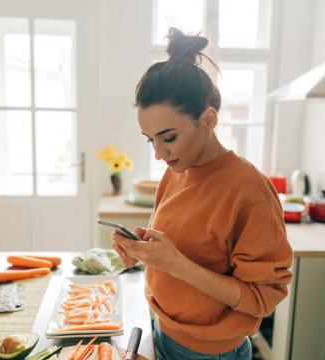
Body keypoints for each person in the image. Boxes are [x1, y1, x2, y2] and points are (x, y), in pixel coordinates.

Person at [112, 28, 293, 360]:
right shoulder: (176, 171)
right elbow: (187, 250)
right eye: (150, 139)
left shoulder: (249, 190)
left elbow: (262, 298)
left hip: (210, 354)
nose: (159, 153)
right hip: (163, 331)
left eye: (168, 137)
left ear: (208, 119)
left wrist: (175, 264)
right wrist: (144, 254)